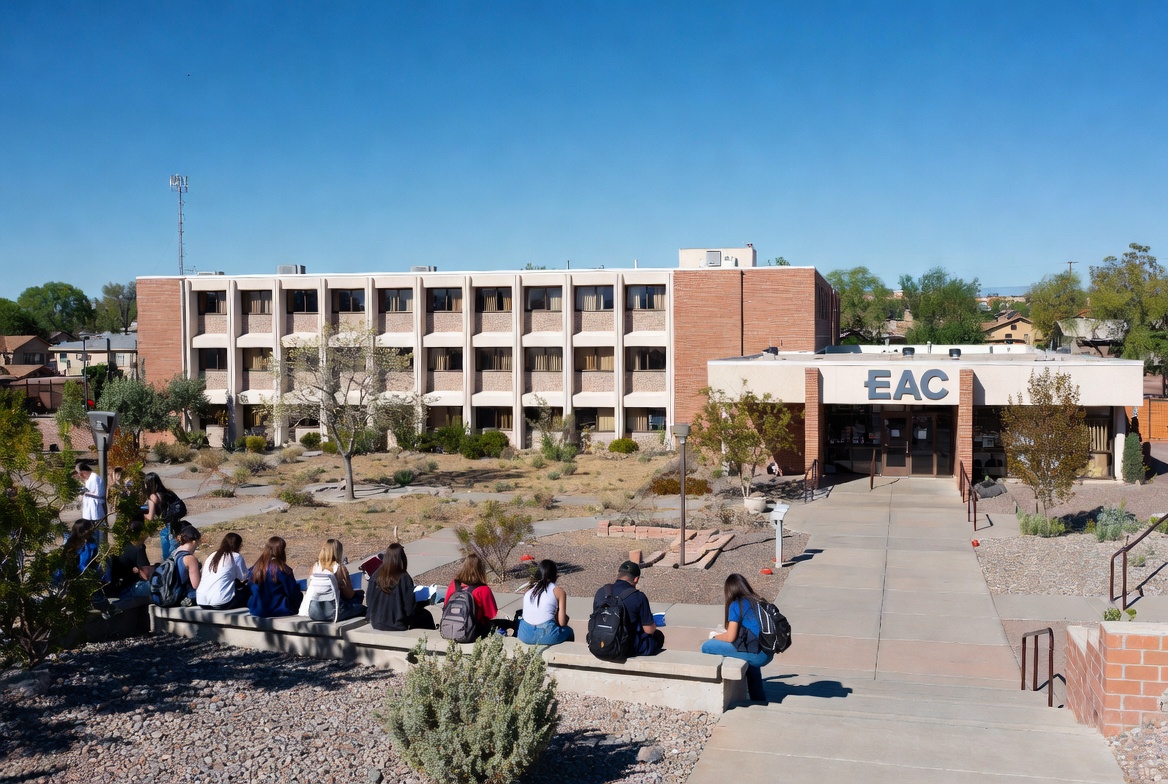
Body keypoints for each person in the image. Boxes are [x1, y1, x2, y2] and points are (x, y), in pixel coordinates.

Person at [701, 573, 774, 703]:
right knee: (750, 653)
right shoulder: (758, 600)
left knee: (707, 646)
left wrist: (714, 635)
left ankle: (710, 694)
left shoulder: (737, 604)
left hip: (758, 655)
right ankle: (758, 698)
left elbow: (730, 637)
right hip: (768, 652)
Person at [592, 560, 664, 657]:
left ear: (618, 574)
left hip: (599, 644)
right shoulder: (638, 596)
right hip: (625, 647)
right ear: (636, 579)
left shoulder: (601, 592)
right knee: (658, 636)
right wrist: (653, 624)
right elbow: (649, 630)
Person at [367, 542, 436, 631]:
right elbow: (409, 609)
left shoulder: (376, 575)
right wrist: (424, 603)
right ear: (402, 559)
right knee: (426, 615)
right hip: (396, 624)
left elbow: (369, 601)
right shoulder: (404, 577)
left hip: (376, 622)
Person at [300, 539, 366, 621]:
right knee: (361, 601)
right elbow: (349, 595)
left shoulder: (314, 567)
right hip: (334, 612)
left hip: (314, 612)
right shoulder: (339, 568)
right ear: (338, 552)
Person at [516, 559, 574, 647]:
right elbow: (562, 623)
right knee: (569, 632)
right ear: (555, 575)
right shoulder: (558, 591)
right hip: (547, 634)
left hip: (524, 634)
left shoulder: (529, 591)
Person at [444, 552, 502, 638]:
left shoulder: (454, 584)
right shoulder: (483, 589)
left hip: (451, 628)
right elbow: (491, 614)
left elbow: (445, 605)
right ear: (481, 569)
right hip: (474, 631)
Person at [247, 536, 303, 618]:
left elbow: (250, 588)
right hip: (278, 609)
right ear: (281, 550)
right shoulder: (283, 569)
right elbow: (292, 592)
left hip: (256, 609)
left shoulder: (255, 568)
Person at [196, 532, 251, 610]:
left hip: (201, 601)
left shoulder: (212, 555)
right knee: (249, 590)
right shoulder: (236, 556)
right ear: (238, 545)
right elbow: (244, 577)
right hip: (222, 602)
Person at [104, 515, 154, 600]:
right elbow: (146, 575)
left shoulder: (118, 545)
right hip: (127, 590)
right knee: (158, 583)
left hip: (116, 588)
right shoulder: (138, 547)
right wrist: (156, 568)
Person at [144, 472, 179, 560]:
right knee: (176, 552)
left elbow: (150, 517)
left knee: (167, 555)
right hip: (176, 524)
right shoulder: (168, 492)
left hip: (166, 527)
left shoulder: (153, 497)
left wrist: (140, 514)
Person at [173, 525, 202, 606]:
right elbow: (196, 585)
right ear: (194, 542)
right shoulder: (190, 559)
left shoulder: (173, 554)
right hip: (186, 595)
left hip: (173, 593)